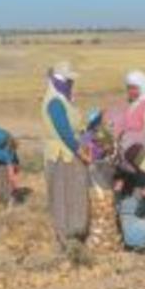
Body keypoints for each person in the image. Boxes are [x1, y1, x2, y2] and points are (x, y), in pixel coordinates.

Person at [41, 61, 91, 251]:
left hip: (71, 154)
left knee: (74, 194)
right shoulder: (55, 102)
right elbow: (64, 132)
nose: (71, 84)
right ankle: (67, 238)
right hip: (62, 156)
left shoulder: (63, 99)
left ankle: (76, 235)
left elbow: (76, 128)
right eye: (68, 80)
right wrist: (81, 151)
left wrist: (90, 135)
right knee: (64, 196)